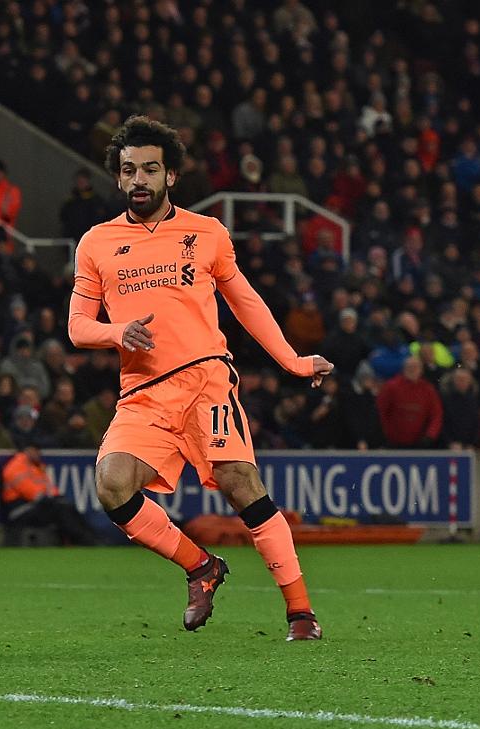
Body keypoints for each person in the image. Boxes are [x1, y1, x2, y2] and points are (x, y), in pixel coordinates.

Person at [67, 117, 330, 641]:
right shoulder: (96, 243)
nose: (138, 179)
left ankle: (300, 613)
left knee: (239, 483)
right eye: (128, 170)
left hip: (205, 379)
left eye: (149, 169)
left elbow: (245, 302)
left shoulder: (207, 233)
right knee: (112, 484)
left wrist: (294, 362)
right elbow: (77, 328)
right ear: (118, 180)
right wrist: (118, 332)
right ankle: (200, 567)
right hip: (142, 392)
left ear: (171, 176)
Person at [0, 445, 100, 546]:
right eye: (36, 451)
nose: (38, 455)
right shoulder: (16, 466)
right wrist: (51, 499)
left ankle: (91, 538)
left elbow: (48, 490)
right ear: (28, 450)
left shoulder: (34, 467)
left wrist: (56, 498)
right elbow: (32, 492)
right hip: (20, 510)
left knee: (67, 507)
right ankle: (86, 541)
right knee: (61, 511)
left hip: (34, 506)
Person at [377, 356, 443, 448]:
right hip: (393, 443)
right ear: (403, 369)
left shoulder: (428, 389)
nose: (412, 370)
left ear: (421, 370)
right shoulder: (391, 387)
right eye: (409, 367)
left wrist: (430, 435)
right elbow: (380, 412)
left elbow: (436, 415)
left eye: (415, 367)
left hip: (420, 443)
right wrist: (383, 435)